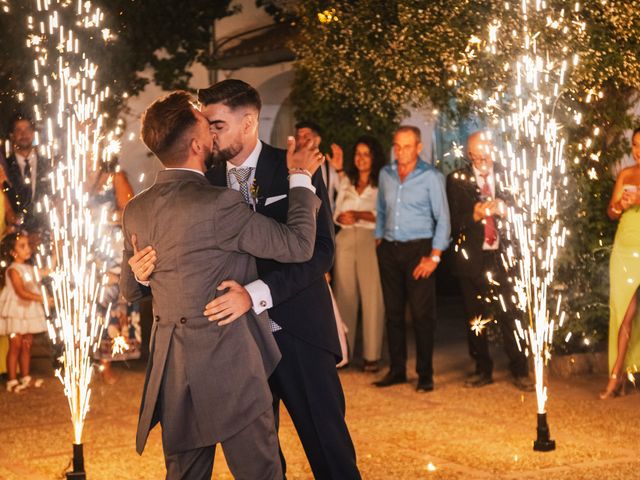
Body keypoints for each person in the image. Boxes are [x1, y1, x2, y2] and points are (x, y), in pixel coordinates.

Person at [130, 80, 361, 479]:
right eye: (204, 123)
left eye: (216, 123)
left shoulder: (295, 168)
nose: (208, 133)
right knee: (262, 458)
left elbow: (320, 250)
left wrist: (256, 295)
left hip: (297, 329)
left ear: (249, 121)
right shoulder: (205, 182)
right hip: (235, 346)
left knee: (330, 450)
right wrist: (144, 272)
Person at [446, 131, 533, 391]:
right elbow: (452, 221)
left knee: (511, 314)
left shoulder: (509, 175)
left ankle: (520, 370)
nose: (481, 159)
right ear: (469, 155)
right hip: (472, 257)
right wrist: (473, 215)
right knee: (476, 318)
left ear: (493, 149)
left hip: (503, 256)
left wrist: (505, 210)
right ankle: (482, 369)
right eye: (475, 155)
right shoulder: (456, 180)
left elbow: (525, 212)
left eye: (485, 153)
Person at [373, 125, 450, 392]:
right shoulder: (386, 173)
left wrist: (434, 257)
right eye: (397, 145)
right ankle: (397, 370)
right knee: (393, 313)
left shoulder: (431, 177)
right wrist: (379, 238)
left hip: (420, 250)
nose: (400, 151)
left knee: (422, 315)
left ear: (418, 147)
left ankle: (425, 373)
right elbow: (381, 209)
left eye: (406, 146)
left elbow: (443, 219)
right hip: (390, 250)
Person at [333, 135, 386, 372]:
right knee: (344, 295)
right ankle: (345, 351)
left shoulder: (382, 182)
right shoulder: (346, 180)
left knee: (372, 296)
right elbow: (336, 211)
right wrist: (343, 217)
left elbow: (386, 214)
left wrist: (360, 215)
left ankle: (372, 356)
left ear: (374, 157)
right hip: (344, 239)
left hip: (368, 240)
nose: (361, 159)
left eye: (366, 154)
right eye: (358, 154)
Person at [87, 156, 135, 383]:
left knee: (110, 301)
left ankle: (109, 358)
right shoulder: (86, 177)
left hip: (111, 246)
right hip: (91, 245)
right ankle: (94, 356)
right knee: (93, 301)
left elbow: (130, 210)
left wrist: (102, 217)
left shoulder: (116, 176)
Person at [602, 126, 640, 399]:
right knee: (623, 312)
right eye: (636, 145)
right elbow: (611, 211)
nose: (639, 150)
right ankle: (616, 376)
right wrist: (621, 206)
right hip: (626, 248)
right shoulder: (626, 174)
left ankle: (629, 371)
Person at [0, 232, 48, 392]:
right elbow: (21, 292)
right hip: (16, 312)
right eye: (22, 246)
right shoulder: (13, 270)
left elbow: (48, 270)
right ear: (13, 252)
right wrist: (42, 298)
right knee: (15, 345)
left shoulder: (29, 268)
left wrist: (56, 252)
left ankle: (25, 376)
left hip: (28, 313)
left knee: (27, 345)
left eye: (28, 245)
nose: (28, 249)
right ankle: (12, 380)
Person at [3, 115, 51, 234]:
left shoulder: (48, 165)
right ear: (12, 136)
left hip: (45, 233)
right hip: (16, 239)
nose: (24, 134)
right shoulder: (5, 168)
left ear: (33, 133)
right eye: (18, 130)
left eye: (28, 129)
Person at [295, 120, 343, 214]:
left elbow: (345, 191)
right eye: (297, 137)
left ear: (317, 140)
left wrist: (339, 169)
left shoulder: (330, 168)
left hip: (324, 222)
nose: (300, 141)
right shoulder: (289, 166)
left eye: (306, 137)